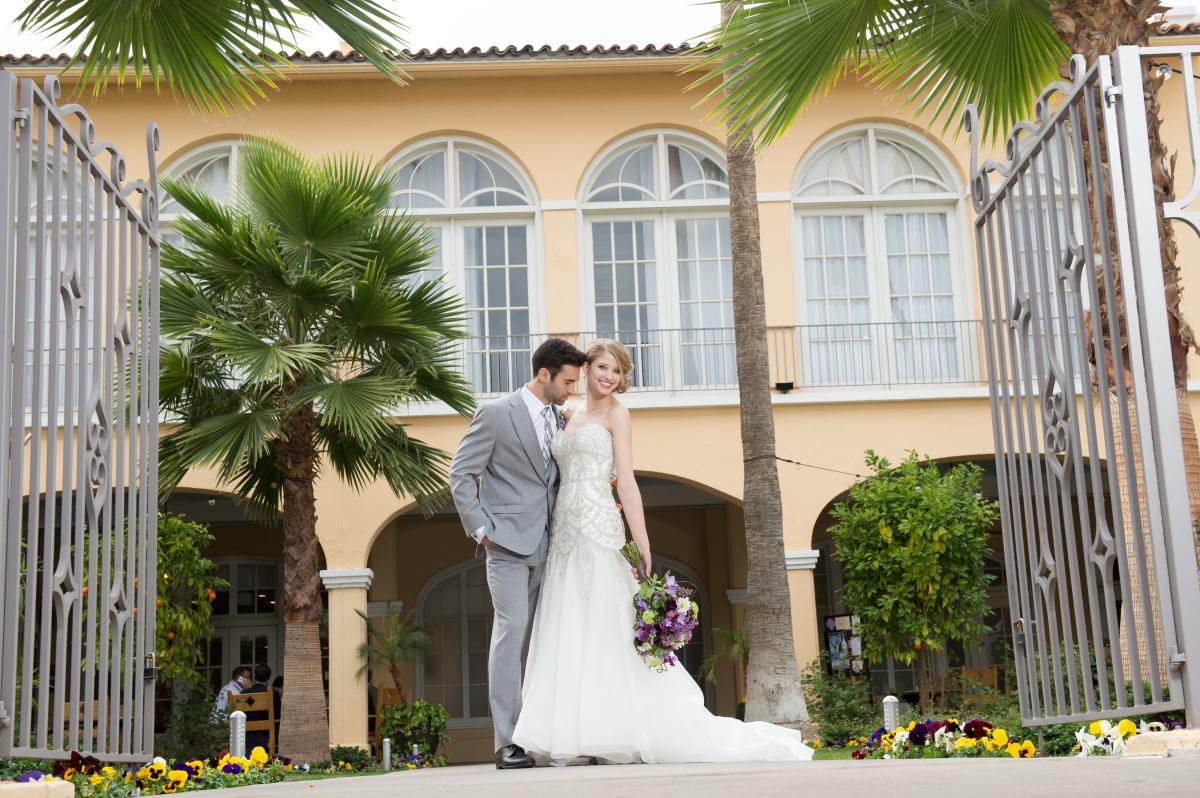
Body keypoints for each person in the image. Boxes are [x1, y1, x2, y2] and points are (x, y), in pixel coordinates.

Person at [511, 339, 813, 765]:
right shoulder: (570, 414)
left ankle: (613, 733)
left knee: (607, 625)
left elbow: (627, 483)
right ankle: (574, 736)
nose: (608, 377)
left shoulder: (618, 414)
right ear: (586, 368)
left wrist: (641, 545)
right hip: (565, 534)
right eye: (601, 368)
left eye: (616, 371)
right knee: (570, 626)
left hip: (600, 528)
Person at [450, 337, 586, 770]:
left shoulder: (560, 417)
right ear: (543, 374)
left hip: (553, 545)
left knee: (546, 639)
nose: (572, 389)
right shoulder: (494, 414)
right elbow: (461, 474)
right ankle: (507, 741)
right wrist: (482, 530)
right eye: (567, 381)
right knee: (511, 636)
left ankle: (544, 733)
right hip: (507, 546)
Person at [242, 664, 280, 753]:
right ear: (269, 677)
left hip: (248, 737)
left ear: (254, 676)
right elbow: (278, 714)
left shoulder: (244, 693)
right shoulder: (273, 693)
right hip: (266, 736)